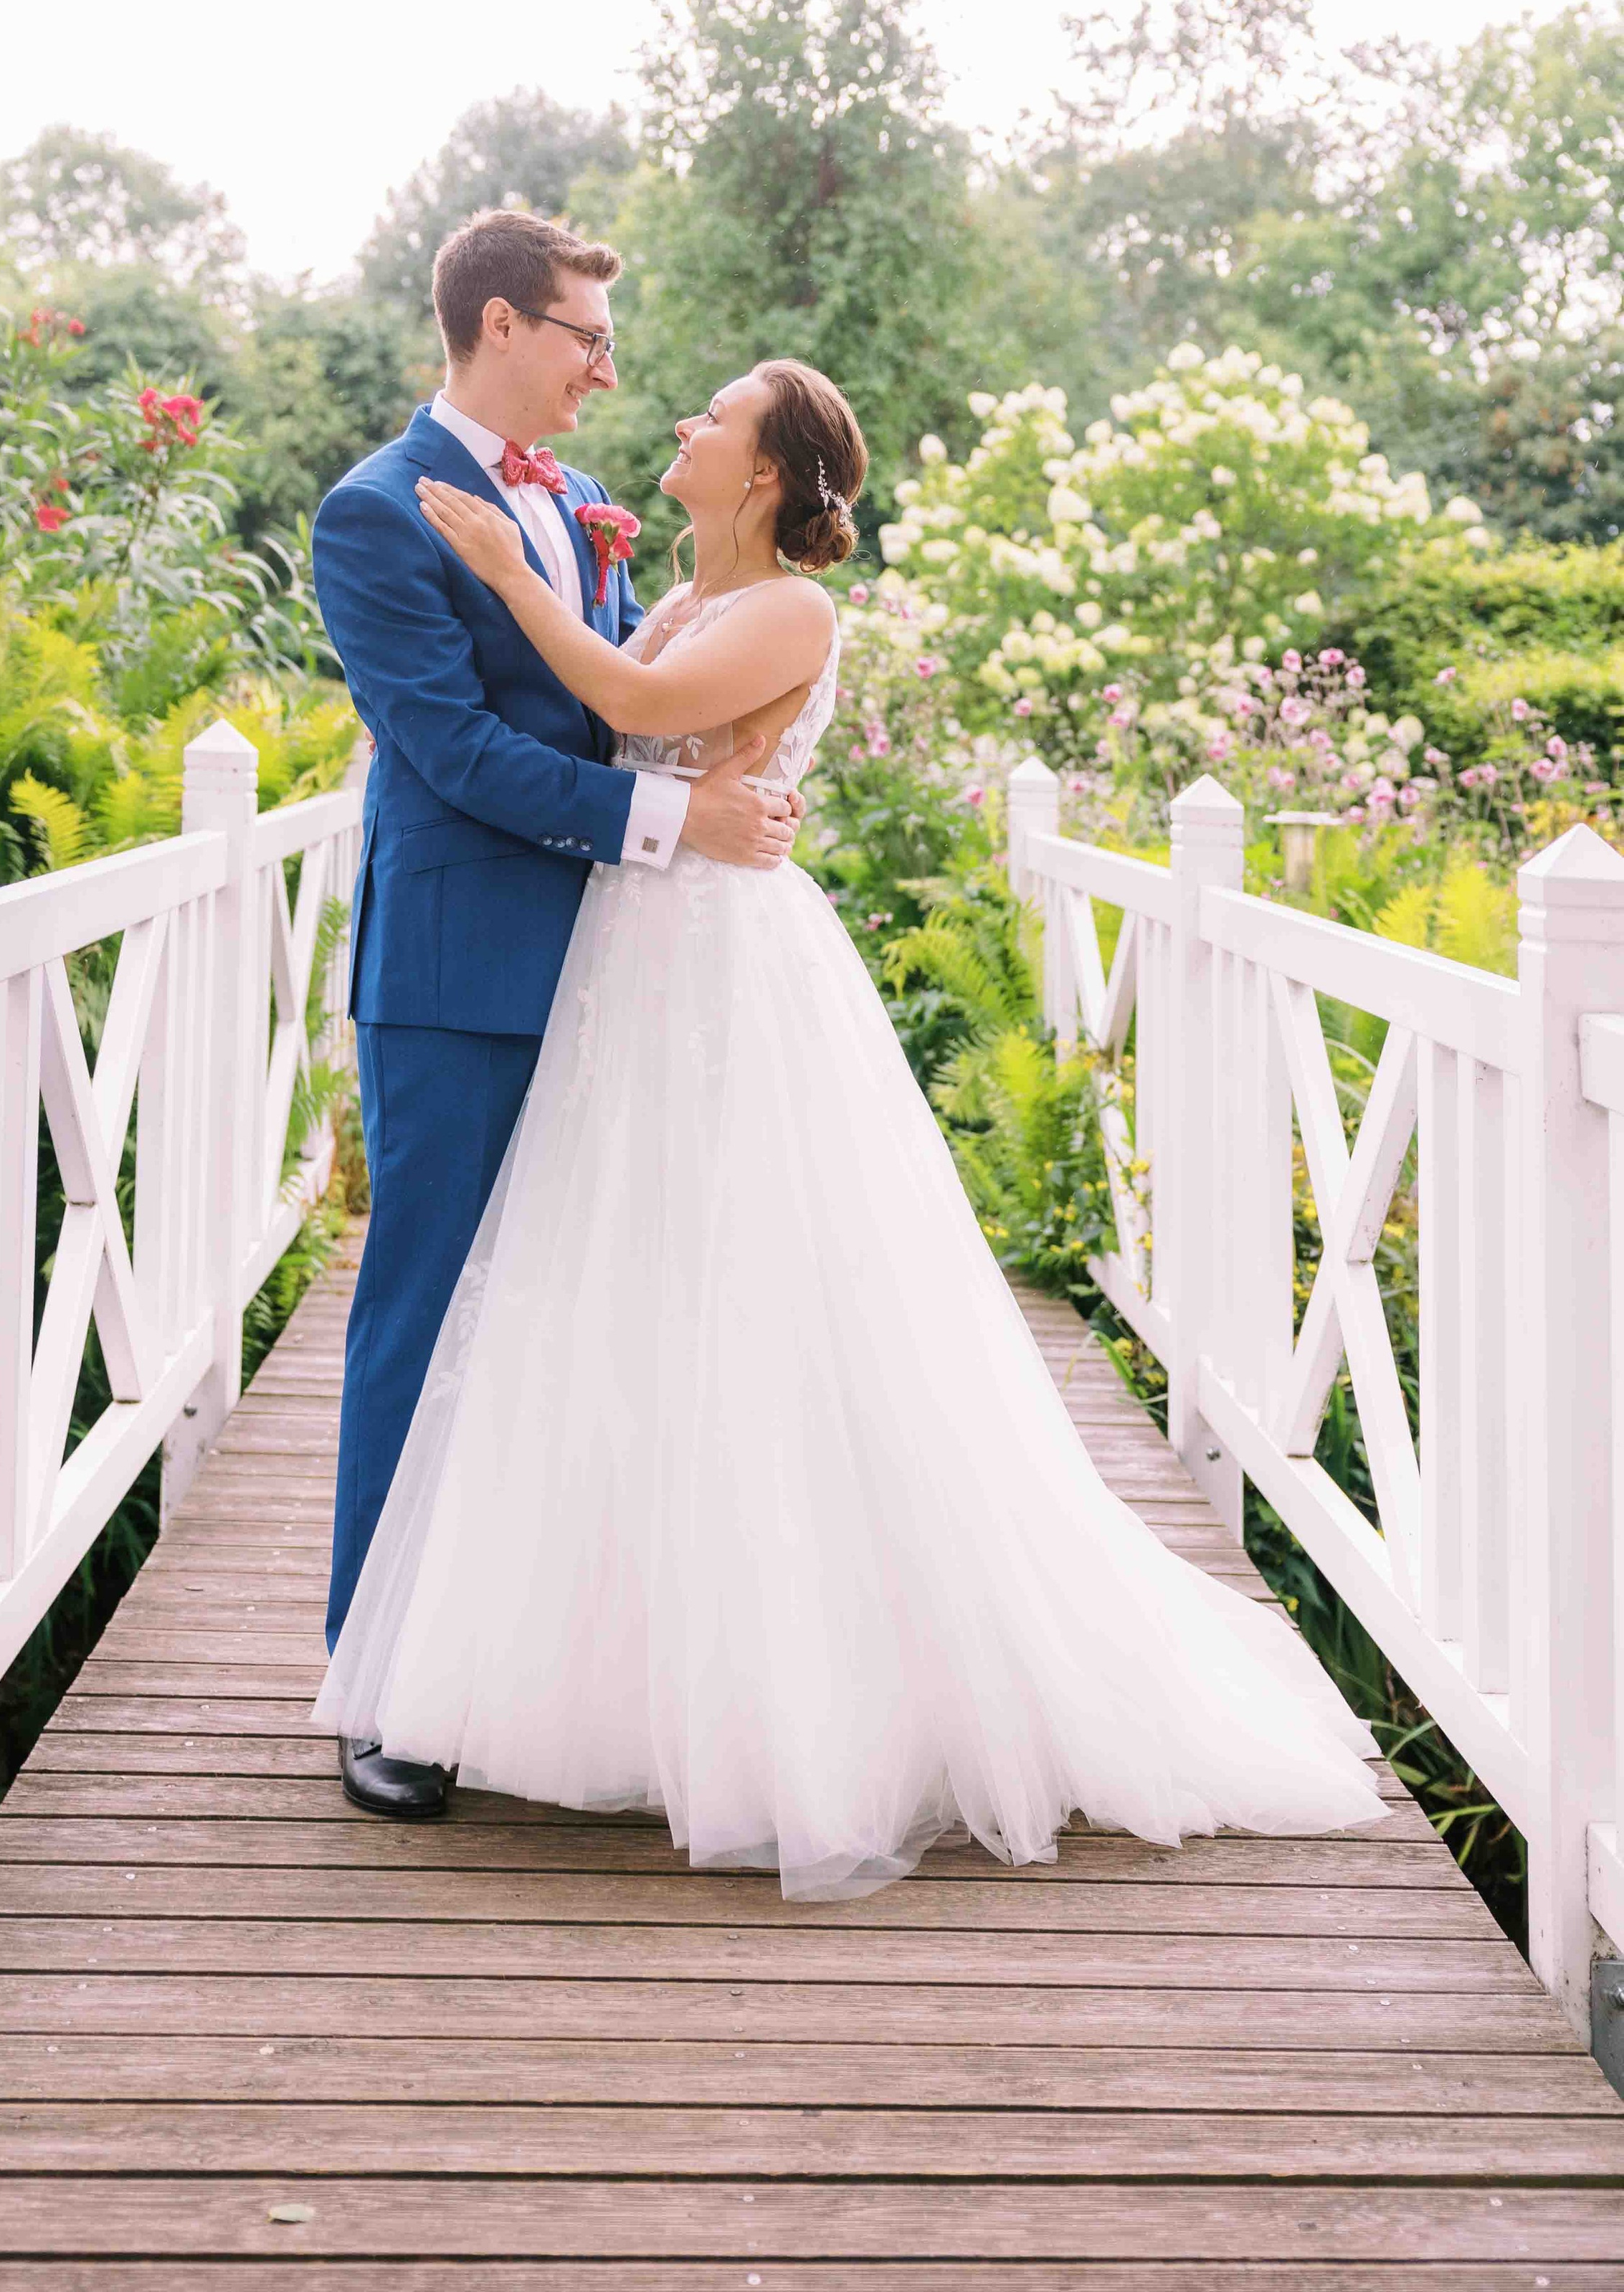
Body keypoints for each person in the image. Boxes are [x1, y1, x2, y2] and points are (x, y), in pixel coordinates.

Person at [313, 356, 1387, 1897]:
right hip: (620, 960)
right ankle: (578, 1658)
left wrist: (505, 567)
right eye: (626, 372)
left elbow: (618, 704)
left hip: (716, 969)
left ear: (762, 473)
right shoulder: (671, 591)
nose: (666, 414)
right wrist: (596, 625)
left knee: (758, 1301)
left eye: (709, 416)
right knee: (598, 1303)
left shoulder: (789, 612)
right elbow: (596, 712)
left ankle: (790, 1684)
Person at [310, 210, 803, 1825]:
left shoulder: (588, 512)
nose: (609, 364)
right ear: (505, 325)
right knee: (429, 1312)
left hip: (623, 983)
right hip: (461, 977)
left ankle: (543, 1667)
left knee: (589, 1322)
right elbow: (448, 754)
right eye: (588, 335)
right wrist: (680, 828)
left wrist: (713, 806)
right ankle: (379, 1692)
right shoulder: (370, 516)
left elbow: (645, 693)